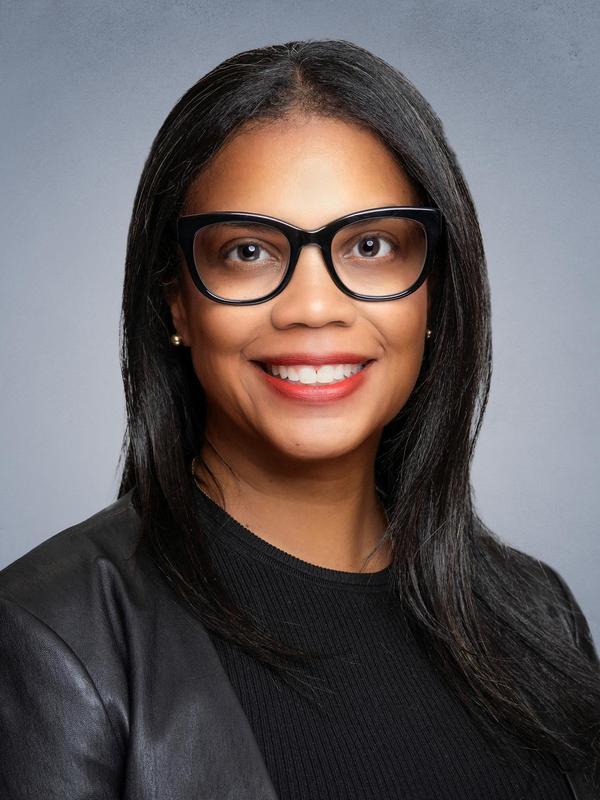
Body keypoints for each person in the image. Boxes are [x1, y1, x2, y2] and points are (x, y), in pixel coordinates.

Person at [0, 38, 598, 800]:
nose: (314, 307)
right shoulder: (52, 638)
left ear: (435, 296)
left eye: (371, 246)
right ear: (176, 302)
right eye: (248, 251)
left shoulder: (537, 616)